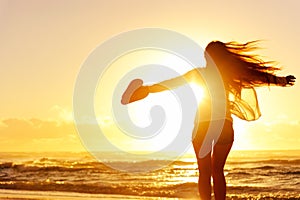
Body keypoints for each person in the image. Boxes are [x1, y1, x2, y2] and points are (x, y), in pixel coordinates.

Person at [122, 41, 296, 200]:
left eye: (206, 54)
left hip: (203, 127)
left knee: (204, 172)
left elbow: (172, 83)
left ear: (208, 57)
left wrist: (148, 89)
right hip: (224, 127)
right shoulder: (229, 75)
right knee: (217, 171)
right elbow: (256, 76)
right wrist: (281, 80)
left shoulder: (199, 74)